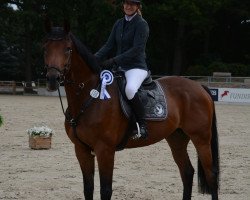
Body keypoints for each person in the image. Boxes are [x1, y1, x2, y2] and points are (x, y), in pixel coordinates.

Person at [95, 0, 149, 139]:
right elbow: (108, 45)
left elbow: (137, 49)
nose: (128, 6)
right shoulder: (119, 23)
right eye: (126, 3)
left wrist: (114, 60)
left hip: (136, 67)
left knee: (130, 89)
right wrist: (93, 58)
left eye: (132, 4)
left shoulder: (141, 24)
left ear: (137, 7)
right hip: (120, 67)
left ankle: (142, 125)